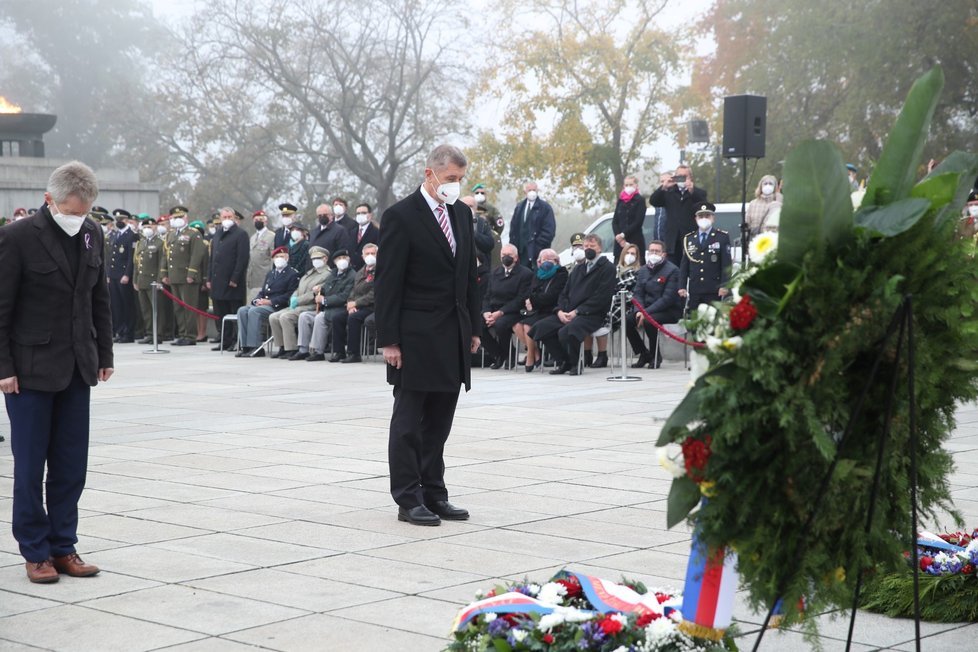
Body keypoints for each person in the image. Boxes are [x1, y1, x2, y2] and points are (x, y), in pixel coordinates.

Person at [0, 161, 114, 583]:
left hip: (77, 367)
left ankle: (64, 545)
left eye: (84, 211)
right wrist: (3, 368)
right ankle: (35, 551)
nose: (77, 218)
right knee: (30, 467)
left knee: (70, 465)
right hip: (28, 372)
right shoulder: (17, 238)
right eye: (70, 209)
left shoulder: (91, 233)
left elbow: (97, 298)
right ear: (49, 200)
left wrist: (104, 353)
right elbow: (2, 308)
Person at [374, 144, 480, 526]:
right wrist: (389, 339)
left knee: (439, 423)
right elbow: (388, 283)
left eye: (459, 180)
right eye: (451, 179)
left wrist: (474, 328)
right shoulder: (401, 216)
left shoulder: (462, 215)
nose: (455, 186)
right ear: (429, 173)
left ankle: (435, 493)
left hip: (452, 335)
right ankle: (408, 496)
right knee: (408, 423)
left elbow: (468, 274)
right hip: (414, 337)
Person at [531, 234, 616, 376]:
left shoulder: (607, 268)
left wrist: (577, 312)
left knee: (567, 331)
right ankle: (564, 361)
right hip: (568, 312)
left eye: (592, 246)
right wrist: (559, 311)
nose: (588, 249)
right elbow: (564, 293)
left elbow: (601, 297)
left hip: (591, 314)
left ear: (600, 248)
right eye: (586, 246)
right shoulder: (578, 269)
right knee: (541, 328)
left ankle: (575, 363)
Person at [235, 247, 300, 357]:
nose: (279, 259)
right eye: (276, 257)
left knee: (254, 312)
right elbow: (263, 291)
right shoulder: (271, 274)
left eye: (282, 257)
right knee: (242, 310)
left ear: (287, 258)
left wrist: (270, 302)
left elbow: (289, 295)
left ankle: (255, 347)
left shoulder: (292, 274)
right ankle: (245, 346)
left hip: (278, 306)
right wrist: (256, 300)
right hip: (265, 304)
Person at [626, 240, 682, 368]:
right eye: (651, 251)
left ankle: (655, 355)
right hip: (645, 309)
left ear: (664, 254)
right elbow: (638, 293)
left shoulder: (673, 270)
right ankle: (643, 353)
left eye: (657, 251)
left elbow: (667, 299)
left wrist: (646, 313)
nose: (653, 253)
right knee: (627, 321)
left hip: (669, 310)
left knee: (648, 321)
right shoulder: (643, 270)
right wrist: (639, 310)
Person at [292, 249, 355, 361]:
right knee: (304, 316)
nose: (342, 261)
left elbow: (344, 296)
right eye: (339, 259)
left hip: (339, 308)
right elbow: (327, 287)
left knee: (320, 318)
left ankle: (318, 351)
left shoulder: (352, 275)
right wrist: (320, 289)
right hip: (327, 308)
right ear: (334, 262)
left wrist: (325, 300)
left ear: (349, 259)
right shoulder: (334, 273)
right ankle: (303, 349)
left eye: (344, 258)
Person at [269, 246, 331, 358]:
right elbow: (298, 289)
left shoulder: (327, 274)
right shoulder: (309, 273)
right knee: (273, 317)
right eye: (313, 259)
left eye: (318, 258)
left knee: (285, 317)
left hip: (310, 306)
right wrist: (294, 297)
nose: (315, 261)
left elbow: (315, 293)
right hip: (298, 305)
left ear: (325, 259)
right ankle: (282, 347)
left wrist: (298, 300)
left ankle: (291, 348)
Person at [513, 248, 567, 372]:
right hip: (536, 309)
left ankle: (531, 356)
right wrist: (528, 300)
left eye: (550, 259)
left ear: (557, 261)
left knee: (527, 325)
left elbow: (551, 296)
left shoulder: (561, 274)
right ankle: (536, 351)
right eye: (544, 259)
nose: (546, 262)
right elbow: (530, 292)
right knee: (516, 324)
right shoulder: (538, 274)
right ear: (539, 262)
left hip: (550, 310)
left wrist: (532, 300)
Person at [481, 244, 533, 369]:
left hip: (513, 311)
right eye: (503, 255)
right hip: (493, 310)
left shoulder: (525, 274)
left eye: (509, 255)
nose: (506, 258)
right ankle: (499, 354)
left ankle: (508, 355)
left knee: (500, 325)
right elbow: (487, 296)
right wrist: (486, 312)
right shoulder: (495, 272)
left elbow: (520, 299)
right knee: (477, 326)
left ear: (515, 258)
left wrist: (500, 312)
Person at [161, 206, 208, 346]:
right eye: (175, 218)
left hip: (187, 276)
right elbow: (166, 255)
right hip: (174, 276)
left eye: (180, 217)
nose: (177, 220)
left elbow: (197, 255)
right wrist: (164, 273)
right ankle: (182, 333)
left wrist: (191, 273)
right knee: (178, 307)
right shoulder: (171, 234)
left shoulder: (193, 234)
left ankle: (190, 335)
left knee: (189, 307)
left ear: (186, 218)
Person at [208, 207, 250, 350]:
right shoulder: (218, 234)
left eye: (229, 217)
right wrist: (209, 278)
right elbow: (212, 258)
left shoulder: (241, 234)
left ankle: (235, 341)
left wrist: (235, 278)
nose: (226, 220)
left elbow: (242, 259)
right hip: (218, 281)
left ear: (234, 218)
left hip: (232, 282)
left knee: (234, 312)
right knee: (221, 312)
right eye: (224, 217)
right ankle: (224, 341)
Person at [649, 165, 708, 266]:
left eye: (685, 176)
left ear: (690, 177)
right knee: (673, 270)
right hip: (672, 241)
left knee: (691, 268)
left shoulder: (698, 193)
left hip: (690, 239)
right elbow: (654, 201)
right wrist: (664, 186)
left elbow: (704, 206)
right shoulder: (669, 192)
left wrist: (692, 191)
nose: (682, 178)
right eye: (679, 176)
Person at [678, 203, 732, 311]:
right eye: (701, 216)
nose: (704, 219)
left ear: (713, 218)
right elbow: (684, 265)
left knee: (712, 320)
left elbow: (726, 265)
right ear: (696, 219)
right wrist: (682, 286)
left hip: (714, 288)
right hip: (695, 288)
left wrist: (724, 285)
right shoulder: (689, 239)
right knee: (695, 320)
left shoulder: (721, 237)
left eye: (707, 216)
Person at [330, 243, 378, 363]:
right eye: (367, 253)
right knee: (337, 318)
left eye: (373, 253)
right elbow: (353, 290)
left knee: (354, 318)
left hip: (371, 306)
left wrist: (356, 303)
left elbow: (374, 294)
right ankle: (339, 352)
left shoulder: (381, 271)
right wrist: (350, 303)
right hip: (357, 305)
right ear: (362, 256)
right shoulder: (361, 271)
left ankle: (354, 353)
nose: (370, 256)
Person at [133, 215, 165, 345]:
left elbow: (161, 263)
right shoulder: (141, 243)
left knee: (156, 309)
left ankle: (159, 333)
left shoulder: (160, 242)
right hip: (142, 280)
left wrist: (159, 280)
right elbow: (136, 263)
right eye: (145, 227)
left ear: (155, 227)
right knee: (145, 310)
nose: (147, 229)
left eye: (150, 227)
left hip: (153, 281)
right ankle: (150, 333)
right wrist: (135, 280)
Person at [508, 181, 556, 269]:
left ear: (537, 191)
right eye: (529, 190)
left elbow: (549, 231)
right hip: (520, 254)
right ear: (525, 192)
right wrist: (513, 248)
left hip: (537, 255)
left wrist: (538, 247)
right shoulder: (519, 207)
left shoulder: (545, 208)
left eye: (534, 190)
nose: (532, 192)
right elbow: (513, 229)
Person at [107, 208, 137, 343]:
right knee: (116, 305)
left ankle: (128, 333)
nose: (119, 222)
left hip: (124, 276)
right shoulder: (114, 235)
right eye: (117, 220)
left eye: (121, 220)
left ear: (127, 221)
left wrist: (127, 274)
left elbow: (132, 258)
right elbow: (110, 257)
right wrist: (108, 273)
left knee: (127, 304)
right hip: (113, 275)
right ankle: (120, 331)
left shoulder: (132, 235)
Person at [612, 175, 647, 264]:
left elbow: (638, 222)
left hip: (635, 240)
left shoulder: (640, 200)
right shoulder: (620, 201)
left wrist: (623, 234)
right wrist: (618, 237)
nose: (628, 187)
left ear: (636, 185)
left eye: (631, 184)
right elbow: (615, 221)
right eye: (626, 185)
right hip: (619, 244)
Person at [247, 210, 276, 298]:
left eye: (260, 219)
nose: (258, 222)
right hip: (253, 277)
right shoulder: (252, 238)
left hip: (264, 276)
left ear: (265, 222)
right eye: (256, 220)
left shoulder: (272, 236)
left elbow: (273, 257)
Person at [350, 203, 380, 270]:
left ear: (370, 215)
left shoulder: (377, 232)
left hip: (368, 270)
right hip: (353, 272)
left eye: (363, 213)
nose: (360, 215)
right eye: (358, 213)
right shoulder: (352, 232)